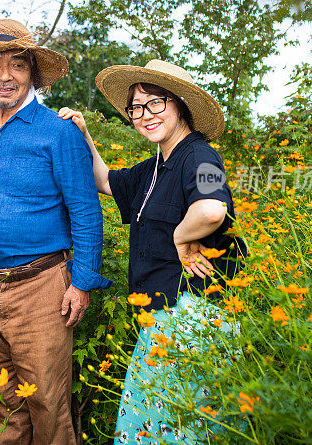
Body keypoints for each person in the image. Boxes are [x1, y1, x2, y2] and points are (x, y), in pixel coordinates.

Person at [58, 59, 246, 443]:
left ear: (179, 103)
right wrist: (84, 134)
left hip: (192, 321)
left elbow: (211, 208)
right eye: (136, 108)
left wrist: (180, 237)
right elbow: (105, 181)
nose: (144, 115)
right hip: (159, 320)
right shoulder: (154, 167)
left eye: (155, 103)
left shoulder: (202, 156)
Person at [0, 19, 111, 444]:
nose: (5, 75)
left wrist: (83, 282)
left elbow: (86, 212)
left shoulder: (58, 132)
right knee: (0, 405)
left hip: (42, 289)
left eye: (17, 65)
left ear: (33, 74)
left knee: (48, 406)